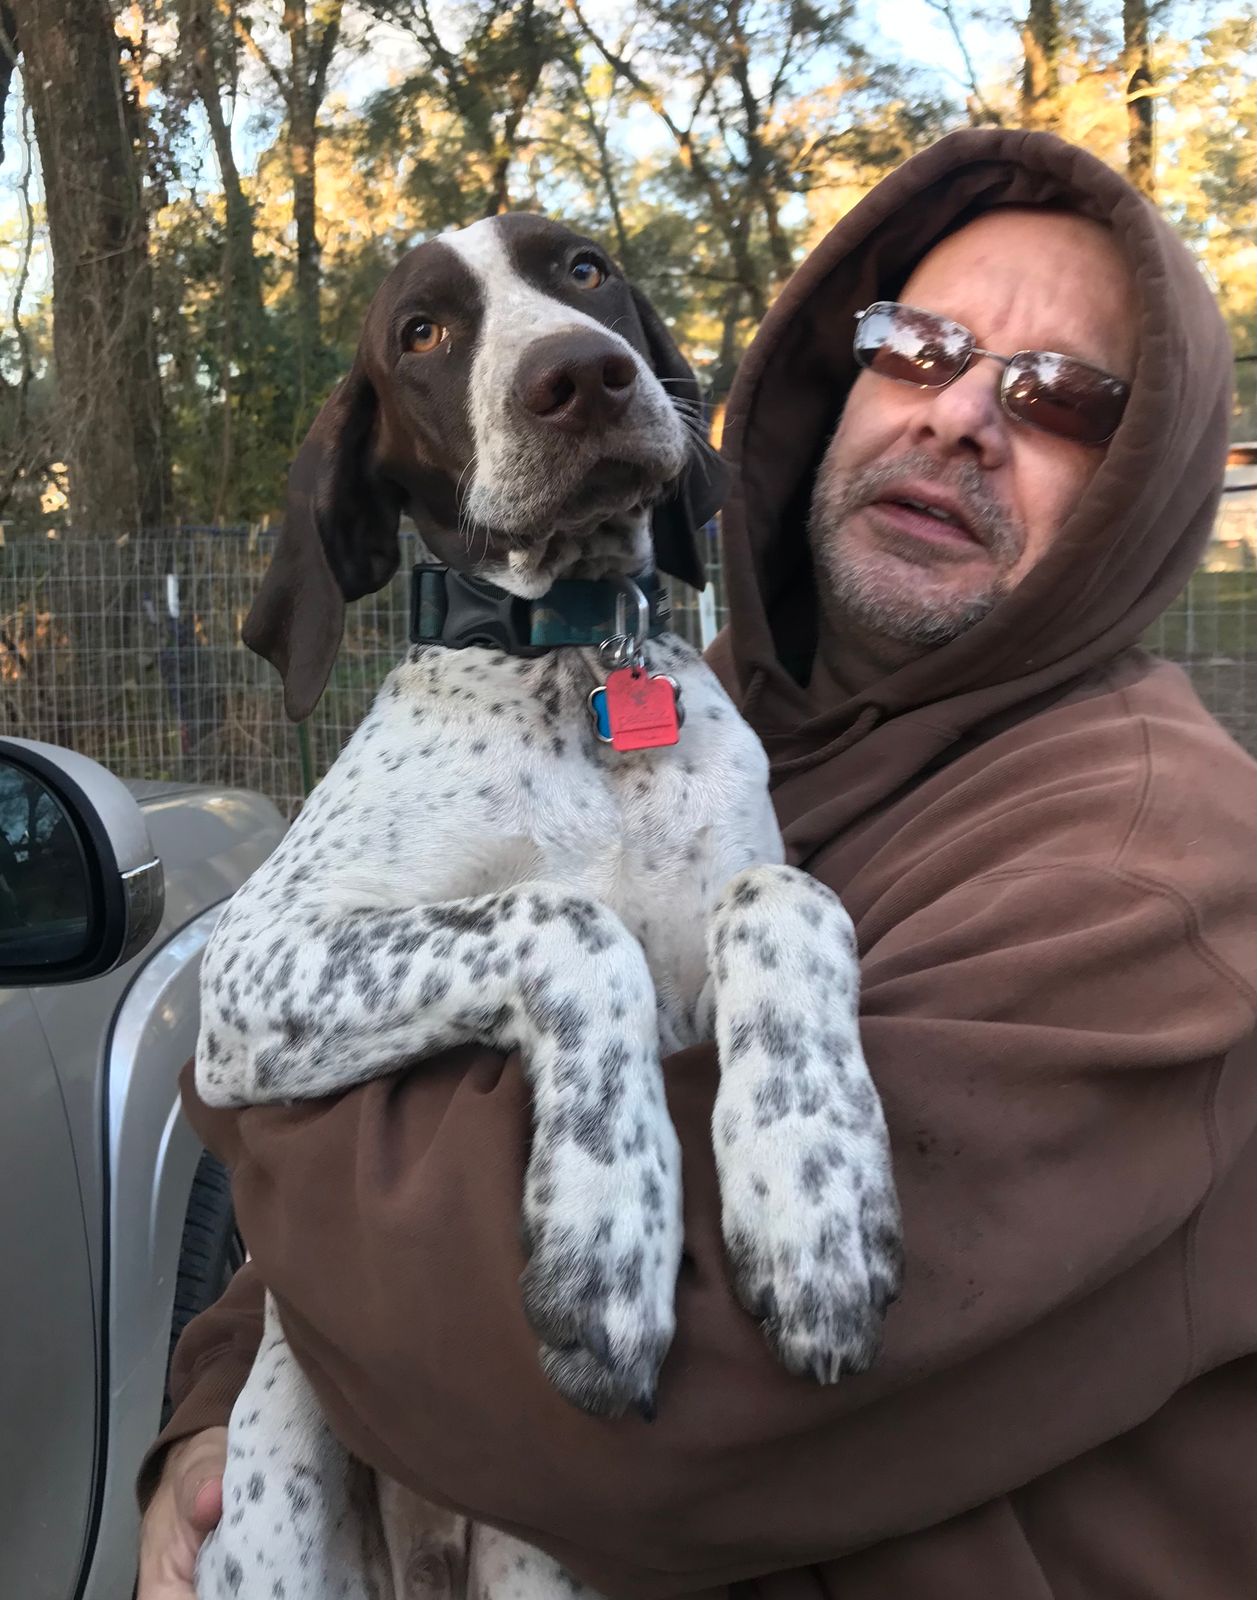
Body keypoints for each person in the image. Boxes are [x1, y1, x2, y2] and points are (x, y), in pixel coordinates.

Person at [138, 127, 1256, 1599]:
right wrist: (209, 1404)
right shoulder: (713, 698)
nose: (963, 416)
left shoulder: (1161, 863)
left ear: (1146, 485)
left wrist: (298, 1150)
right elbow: (241, 1031)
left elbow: (638, 1431)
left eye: (1059, 396)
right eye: (919, 347)